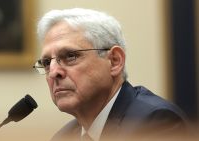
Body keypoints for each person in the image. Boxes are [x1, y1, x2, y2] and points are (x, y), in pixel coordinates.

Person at [33, 8, 190, 141]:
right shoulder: (64, 137)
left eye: (70, 56)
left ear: (115, 61)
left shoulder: (154, 123)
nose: (53, 72)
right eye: (47, 62)